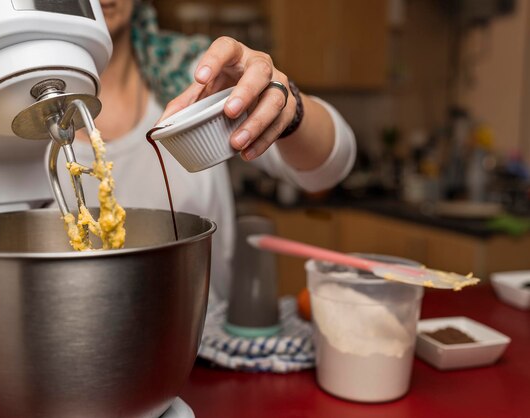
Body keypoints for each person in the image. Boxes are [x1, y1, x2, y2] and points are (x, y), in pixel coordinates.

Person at [58, 0, 356, 299]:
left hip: (199, 333)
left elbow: (327, 168)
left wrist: (288, 105)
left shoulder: (198, 75)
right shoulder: (14, 100)